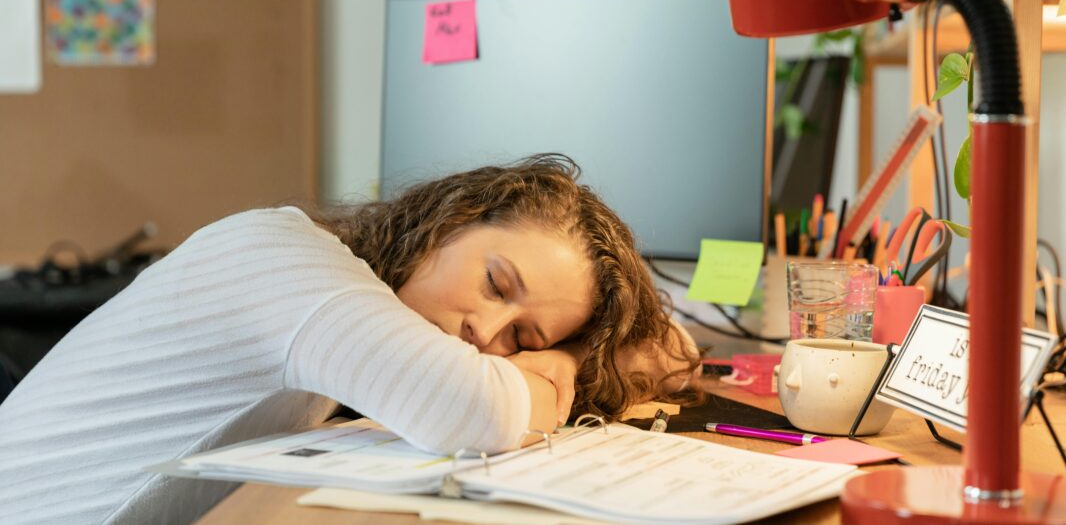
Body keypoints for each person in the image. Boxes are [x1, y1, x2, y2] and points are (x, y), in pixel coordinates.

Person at [0, 154, 698, 524]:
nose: (483, 332)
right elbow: (474, 409)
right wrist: (566, 356)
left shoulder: (347, 292)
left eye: (522, 334)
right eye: (494, 281)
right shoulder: (289, 260)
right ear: (451, 220)